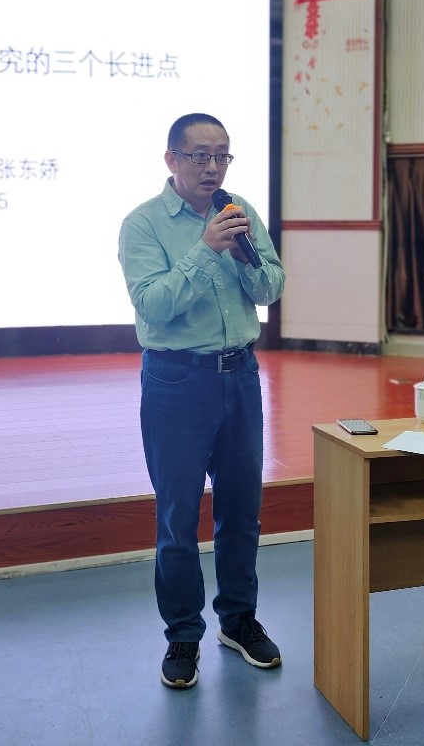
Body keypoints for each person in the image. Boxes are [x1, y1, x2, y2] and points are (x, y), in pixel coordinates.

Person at [117, 113, 286, 690]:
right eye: (200, 155)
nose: (213, 167)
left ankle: (238, 621)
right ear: (172, 159)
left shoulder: (240, 211)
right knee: (178, 517)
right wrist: (206, 249)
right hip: (176, 383)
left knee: (241, 511)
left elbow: (271, 287)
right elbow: (154, 305)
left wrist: (242, 256)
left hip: (240, 378)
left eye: (222, 155)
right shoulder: (143, 224)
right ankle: (183, 636)